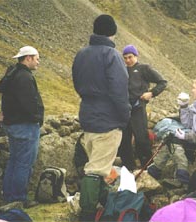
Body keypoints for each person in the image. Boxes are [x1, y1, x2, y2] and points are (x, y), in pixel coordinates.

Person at [72, 14, 130, 221]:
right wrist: (125, 116)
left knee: (97, 164)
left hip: (88, 115)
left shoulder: (81, 54)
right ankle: (87, 214)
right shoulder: (112, 55)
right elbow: (119, 91)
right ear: (112, 32)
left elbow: (78, 84)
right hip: (108, 119)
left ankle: (105, 204)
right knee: (96, 169)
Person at [148, 77, 196, 186]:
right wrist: (183, 107)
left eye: (194, 88)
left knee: (174, 139)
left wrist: (186, 136)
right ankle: (156, 170)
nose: (192, 91)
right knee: (171, 137)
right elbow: (187, 123)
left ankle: (181, 177)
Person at [0, 46, 44, 208]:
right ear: (28, 58)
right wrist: (37, 118)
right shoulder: (24, 77)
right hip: (25, 126)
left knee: (14, 160)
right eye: (36, 58)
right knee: (24, 163)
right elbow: (29, 104)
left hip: (12, 124)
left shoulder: (12, 74)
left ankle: (8, 195)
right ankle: (18, 198)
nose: (38, 62)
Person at [118, 44, 167, 171]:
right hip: (123, 110)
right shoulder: (122, 70)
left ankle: (147, 167)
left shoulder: (144, 68)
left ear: (136, 56)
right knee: (124, 140)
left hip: (138, 108)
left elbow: (162, 82)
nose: (128, 60)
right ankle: (128, 168)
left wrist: (151, 93)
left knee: (141, 139)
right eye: (125, 58)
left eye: (130, 57)